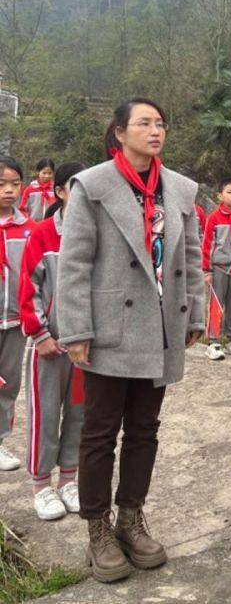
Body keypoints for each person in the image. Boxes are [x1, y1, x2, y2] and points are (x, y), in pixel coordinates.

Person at [57, 98, 206, 584]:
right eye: (144, 123)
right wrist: (76, 329)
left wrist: (194, 312)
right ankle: (97, 528)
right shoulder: (94, 185)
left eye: (161, 122)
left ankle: (130, 517)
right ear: (120, 132)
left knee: (145, 429)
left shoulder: (180, 189)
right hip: (109, 328)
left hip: (161, 327)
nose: (155, 130)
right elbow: (74, 262)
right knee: (99, 431)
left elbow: (192, 258)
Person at [19, 161, 86, 521]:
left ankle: (70, 479)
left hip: (83, 347)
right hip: (49, 346)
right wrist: (40, 333)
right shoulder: (43, 233)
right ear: (59, 192)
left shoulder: (93, 234)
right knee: (45, 415)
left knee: (79, 413)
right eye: (77, 189)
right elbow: (27, 289)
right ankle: (42, 485)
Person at [0, 156, 33, 472]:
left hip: (12, 320)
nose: (9, 191)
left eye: (14, 184)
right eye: (1, 184)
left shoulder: (28, 229)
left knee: (7, 382)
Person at [201, 178, 231, 361]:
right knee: (217, 304)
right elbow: (207, 245)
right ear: (220, 195)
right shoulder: (214, 218)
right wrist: (207, 270)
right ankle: (213, 341)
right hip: (219, 268)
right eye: (230, 192)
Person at [20, 158, 57, 222]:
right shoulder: (30, 190)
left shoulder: (55, 189)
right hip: (33, 224)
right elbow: (22, 209)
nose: (47, 176)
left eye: (50, 173)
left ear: (53, 173)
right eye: (44, 173)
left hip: (51, 224)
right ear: (38, 172)